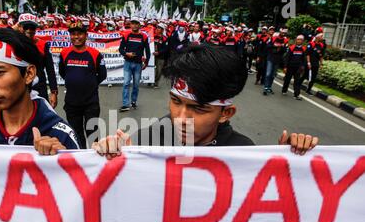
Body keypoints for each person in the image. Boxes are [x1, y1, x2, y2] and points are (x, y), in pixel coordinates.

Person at [92, 45, 319, 158]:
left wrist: (288, 166)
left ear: (226, 113)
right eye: (175, 101)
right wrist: (112, 157)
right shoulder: (142, 143)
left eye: (198, 109)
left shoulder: (243, 153)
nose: (180, 118)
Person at [59, 22, 107, 149]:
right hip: (71, 103)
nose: (76, 37)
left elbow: (102, 75)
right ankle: (80, 162)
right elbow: (62, 72)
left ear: (86, 35)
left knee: (92, 134)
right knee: (76, 134)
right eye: (73, 34)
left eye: (79, 33)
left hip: (90, 102)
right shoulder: (64, 53)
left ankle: (94, 161)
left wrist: (89, 84)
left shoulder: (95, 54)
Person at [18, 13, 58, 106]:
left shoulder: (43, 44)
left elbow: (50, 69)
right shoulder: (13, 43)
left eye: (32, 27)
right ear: (19, 27)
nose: (29, 30)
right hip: (19, 87)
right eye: (25, 27)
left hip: (40, 87)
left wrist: (54, 92)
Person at [118, 16, 151, 112]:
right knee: (126, 83)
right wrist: (126, 53)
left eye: (136, 23)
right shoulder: (126, 35)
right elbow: (120, 49)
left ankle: (133, 101)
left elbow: (147, 51)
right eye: (133, 23)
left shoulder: (144, 36)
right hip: (127, 63)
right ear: (130, 24)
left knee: (136, 85)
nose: (134, 25)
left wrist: (147, 61)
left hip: (138, 64)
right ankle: (125, 104)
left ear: (139, 25)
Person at [263, 28, 288, 96]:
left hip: (278, 60)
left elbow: (285, 50)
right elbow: (267, 46)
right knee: (268, 74)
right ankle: (265, 87)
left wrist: (282, 47)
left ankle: (269, 87)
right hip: (270, 58)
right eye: (282, 32)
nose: (283, 34)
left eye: (284, 33)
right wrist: (275, 45)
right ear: (280, 32)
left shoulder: (285, 40)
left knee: (273, 75)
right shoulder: (273, 38)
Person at [282, 35, 306, 100]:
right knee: (287, 79)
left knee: (297, 81)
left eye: (301, 40)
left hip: (298, 68)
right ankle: (284, 90)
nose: (299, 41)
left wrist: (303, 66)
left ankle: (296, 95)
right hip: (290, 67)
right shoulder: (292, 48)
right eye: (298, 39)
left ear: (302, 41)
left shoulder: (303, 49)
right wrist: (285, 67)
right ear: (296, 40)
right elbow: (287, 58)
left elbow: (304, 59)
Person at [153, 23, 169, 89]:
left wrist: (159, 52)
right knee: (150, 68)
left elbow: (166, 48)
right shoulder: (153, 36)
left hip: (161, 57)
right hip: (152, 56)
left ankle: (156, 82)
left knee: (159, 71)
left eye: (159, 28)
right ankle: (150, 80)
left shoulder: (165, 38)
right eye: (157, 28)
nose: (157, 29)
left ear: (162, 30)